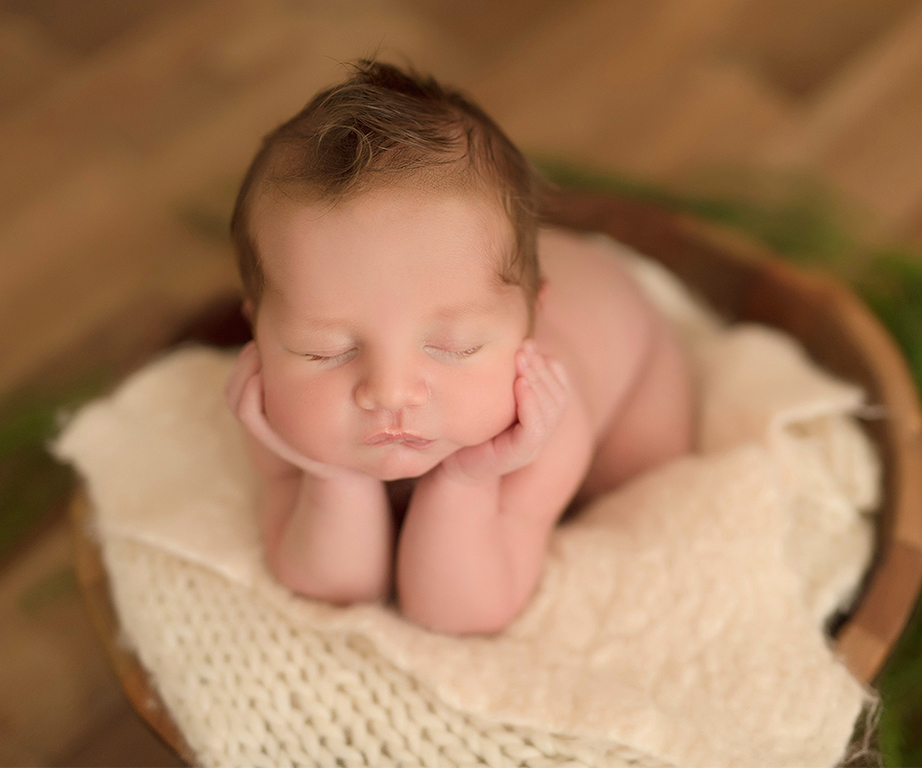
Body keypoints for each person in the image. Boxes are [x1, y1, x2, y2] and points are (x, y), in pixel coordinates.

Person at [224, 60, 693, 634]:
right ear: (259, 333)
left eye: (455, 346)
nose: (390, 391)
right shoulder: (274, 409)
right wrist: (327, 474)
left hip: (633, 363)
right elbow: (336, 589)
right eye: (323, 351)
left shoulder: (547, 419)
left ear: (529, 330)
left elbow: (461, 613)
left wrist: (467, 480)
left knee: (653, 493)